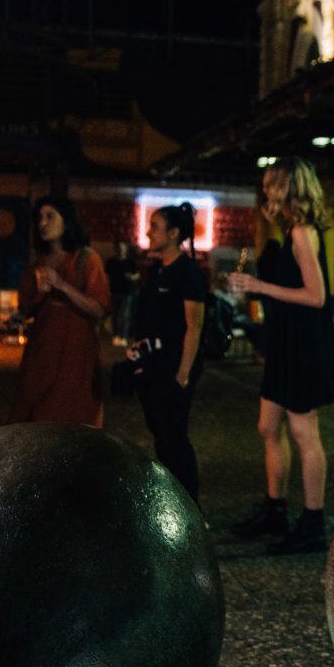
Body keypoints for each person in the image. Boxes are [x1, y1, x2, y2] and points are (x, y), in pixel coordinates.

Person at [228, 158, 334, 555]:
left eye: (269, 185)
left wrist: (258, 285)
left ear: (285, 188)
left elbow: (316, 296)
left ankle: (313, 522)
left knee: (304, 432)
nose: (265, 192)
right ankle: (275, 508)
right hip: (285, 342)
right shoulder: (288, 230)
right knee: (267, 426)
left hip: (302, 344)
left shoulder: (302, 232)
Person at [8, 196, 111, 427]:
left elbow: (99, 308)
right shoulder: (37, 264)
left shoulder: (86, 259)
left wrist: (63, 286)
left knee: (71, 415)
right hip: (42, 352)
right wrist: (40, 294)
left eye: (50, 216)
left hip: (75, 353)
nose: (43, 223)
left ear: (67, 221)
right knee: (34, 417)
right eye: (40, 218)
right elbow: (25, 310)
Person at [131, 203, 207, 503]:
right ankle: (172, 499)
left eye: (155, 227)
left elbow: (195, 324)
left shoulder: (188, 272)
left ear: (174, 233)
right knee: (160, 435)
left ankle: (190, 502)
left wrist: (183, 374)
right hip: (152, 365)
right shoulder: (157, 269)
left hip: (173, 367)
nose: (148, 232)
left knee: (173, 436)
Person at [105, 241, 139, 346]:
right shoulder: (111, 262)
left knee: (124, 315)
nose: (121, 251)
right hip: (114, 291)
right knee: (115, 315)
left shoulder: (130, 262)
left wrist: (132, 277)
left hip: (127, 292)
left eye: (122, 249)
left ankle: (123, 336)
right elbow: (105, 276)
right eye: (119, 249)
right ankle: (116, 336)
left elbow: (137, 275)